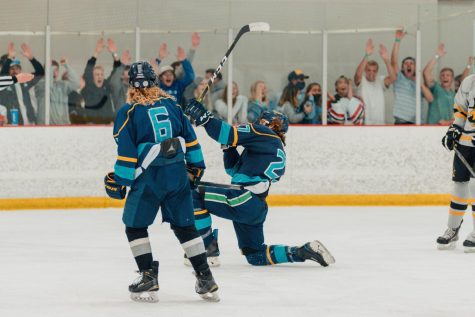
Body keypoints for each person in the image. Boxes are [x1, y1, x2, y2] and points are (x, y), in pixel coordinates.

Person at [105, 61, 219, 302]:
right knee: (185, 226)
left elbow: (127, 151)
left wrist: (120, 180)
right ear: (154, 81)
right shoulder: (173, 106)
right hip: (177, 173)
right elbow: (191, 141)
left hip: (149, 178)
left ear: (131, 85)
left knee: (135, 226)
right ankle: (206, 278)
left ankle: (148, 276)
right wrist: (196, 169)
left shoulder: (128, 112)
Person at [184, 99, 336, 267]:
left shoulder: (263, 133)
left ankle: (206, 251)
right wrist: (229, 149)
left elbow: (226, 133)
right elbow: (233, 171)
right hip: (255, 206)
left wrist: (204, 116)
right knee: (255, 255)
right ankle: (302, 251)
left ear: (266, 123)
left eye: (261, 120)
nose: (256, 122)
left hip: (243, 198)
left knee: (193, 194)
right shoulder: (271, 147)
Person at [437, 74, 475, 253]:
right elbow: (461, 111)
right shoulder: (469, 82)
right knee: (459, 186)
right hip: (466, 143)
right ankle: (453, 229)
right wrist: (455, 130)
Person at [391, 30, 433, 124]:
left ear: (415, 67)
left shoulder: (419, 83)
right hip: (401, 122)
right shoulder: (399, 79)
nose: (409, 65)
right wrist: (397, 40)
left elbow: (430, 99)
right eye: (406, 63)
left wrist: (420, 84)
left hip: (417, 123)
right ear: (402, 67)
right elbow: (393, 62)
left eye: (411, 63)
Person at [0, 42, 45, 125]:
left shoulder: (24, 80)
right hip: (11, 125)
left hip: (30, 123)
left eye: (17, 68)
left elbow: (40, 73)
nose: (15, 71)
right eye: (12, 69)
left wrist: (31, 58)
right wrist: (9, 58)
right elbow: (3, 76)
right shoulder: (3, 84)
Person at [354, 39, 396, 124]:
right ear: (365, 70)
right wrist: (366, 55)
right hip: (363, 124)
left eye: (374, 70)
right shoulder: (361, 81)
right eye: (368, 70)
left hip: (379, 124)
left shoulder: (380, 81)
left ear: (377, 71)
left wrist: (386, 60)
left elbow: (393, 78)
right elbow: (357, 74)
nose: (371, 73)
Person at [81, 38, 120, 124]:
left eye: (101, 74)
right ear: (93, 77)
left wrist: (114, 53)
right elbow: (88, 69)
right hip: (92, 124)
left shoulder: (107, 86)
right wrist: (96, 52)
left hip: (107, 124)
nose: (100, 76)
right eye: (97, 74)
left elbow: (116, 72)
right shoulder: (89, 87)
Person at [35, 58, 80, 125]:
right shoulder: (40, 85)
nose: (54, 72)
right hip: (45, 126)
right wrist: (50, 70)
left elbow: (76, 83)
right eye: (51, 69)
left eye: (56, 70)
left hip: (63, 125)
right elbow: (48, 87)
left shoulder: (62, 84)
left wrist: (67, 66)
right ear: (46, 71)